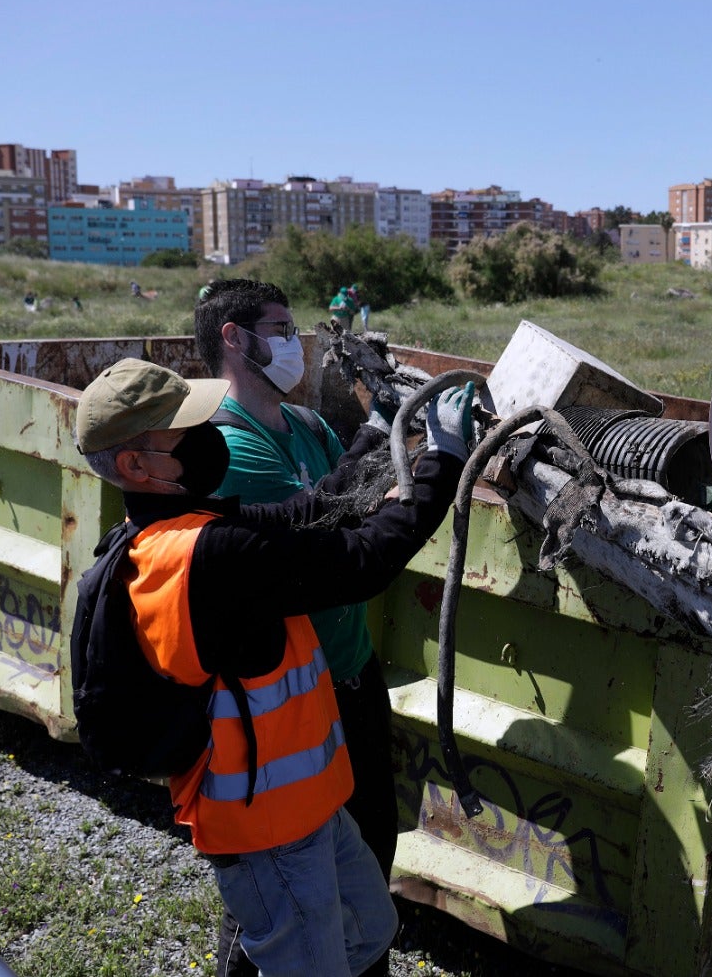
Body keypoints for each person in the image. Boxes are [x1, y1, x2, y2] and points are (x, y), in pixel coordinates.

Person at [74, 357, 473, 977]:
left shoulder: (174, 530)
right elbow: (364, 559)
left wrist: (375, 434)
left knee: (370, 930)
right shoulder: (212, 555)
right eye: (188, 431)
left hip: (306, 806)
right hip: (268, 828)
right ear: (136, 465)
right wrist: (442, 462)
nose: (211, 436)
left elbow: (305, 513)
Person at [194, 278, 398, 977]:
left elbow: (360, 491)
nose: (295, 343)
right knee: (283, 892)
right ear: (234, 338)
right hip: (285, 710)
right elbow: (332, 526)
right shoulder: (226, 446)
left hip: (351, 677)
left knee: (367, 863)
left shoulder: (308, 427)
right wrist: (388, 450)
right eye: (280, 330)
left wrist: (393, 440)